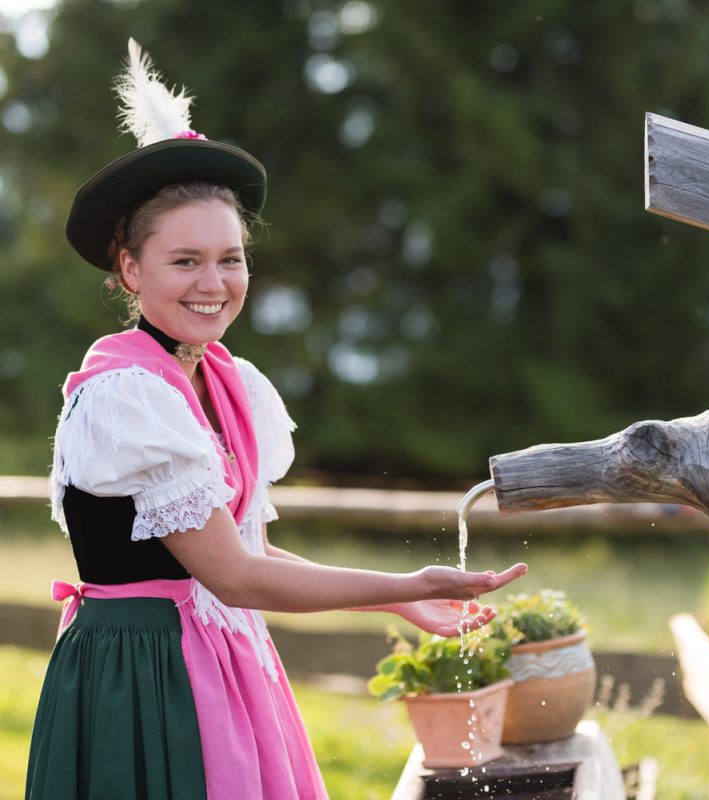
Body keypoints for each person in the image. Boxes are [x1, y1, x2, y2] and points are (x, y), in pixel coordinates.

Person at [25, 41, 527, 800]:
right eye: (185, 260)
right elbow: (232, 575)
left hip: (216, 659)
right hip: (146, 673)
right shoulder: (129, 395)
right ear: (130, 269)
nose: (215, 282)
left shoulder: (224, 380)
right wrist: (400, 578)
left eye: (231, 259)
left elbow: (243, 547)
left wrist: (399, 597)